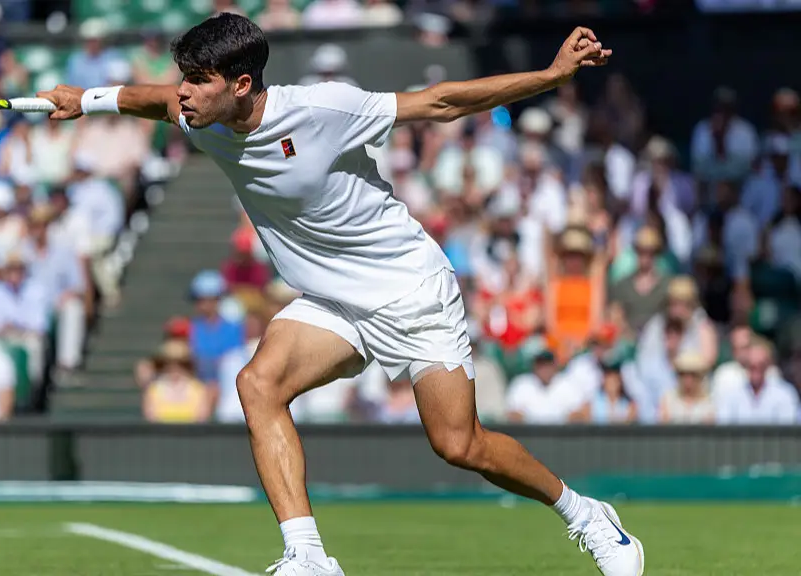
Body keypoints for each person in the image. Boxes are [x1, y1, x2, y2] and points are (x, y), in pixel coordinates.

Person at [37, 17, 641, 576]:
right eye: (184, 80)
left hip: (407, 286)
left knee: (459, 444)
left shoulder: (325, 107)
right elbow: (148, 98)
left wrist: (549, 75)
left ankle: (587, 514)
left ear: (242, 84)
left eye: (199, 81)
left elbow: (443, 101)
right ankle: (308, 556)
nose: (184, 94)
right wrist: (84, 101)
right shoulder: (195, 112)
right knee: (258, 384)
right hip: (332, 299)